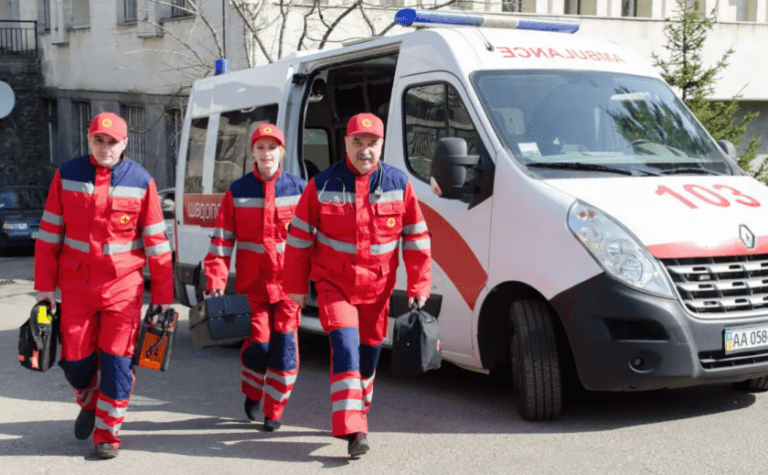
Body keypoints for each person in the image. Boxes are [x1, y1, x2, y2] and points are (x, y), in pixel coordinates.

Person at [283, 112, 431, 457]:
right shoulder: (321, 185)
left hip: (378, 290)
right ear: (345, 143)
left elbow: (416, 238)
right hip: (334, 285)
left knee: (368, 356)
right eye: (358, 142)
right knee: (346, 348)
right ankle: (354, 430)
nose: (365, 150)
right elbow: (300, 238)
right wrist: (295, 284)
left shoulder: (399, 183)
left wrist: (419, 286)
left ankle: (358, 412)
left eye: (372, 143)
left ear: (382, 144)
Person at [34, 112, 173, 459]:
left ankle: (107, 435)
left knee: (117, 364)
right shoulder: (66, 174)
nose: (106, 147)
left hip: (123, 290)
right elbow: (50, 235)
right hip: (77, 288)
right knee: (76, 364)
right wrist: (44, 288)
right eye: (99, 140)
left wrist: (164, 298)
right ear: (89, 139)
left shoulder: (141, 181)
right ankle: (89, 401)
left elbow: (157, 245)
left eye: (113, 141)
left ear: (125, 143)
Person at [203, 123, 305, 432]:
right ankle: (252, 393)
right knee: (259, 347)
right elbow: (222, 239)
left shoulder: (300, 189)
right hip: (253, 287)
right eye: (260, 147)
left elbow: (314, 239)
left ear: (281, 152)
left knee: (284, 351)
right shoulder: (238, 191)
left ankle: (274, 411)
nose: (266, 153)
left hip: (289, 288)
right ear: (253, 152)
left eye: (272, 147)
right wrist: (216, 280)